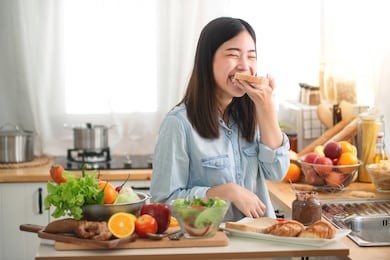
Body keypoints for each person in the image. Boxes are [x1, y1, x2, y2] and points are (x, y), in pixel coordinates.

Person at [150, 17, 290, 221]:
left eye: (251, 57)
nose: (244, 66)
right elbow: (163, 202)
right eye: (233, 55)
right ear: (208, 61)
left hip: (258, 246)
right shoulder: (178, 123)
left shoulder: (254, 113)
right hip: (212, 246)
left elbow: (277, 172)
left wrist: (267, 109)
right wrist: (225, 192)